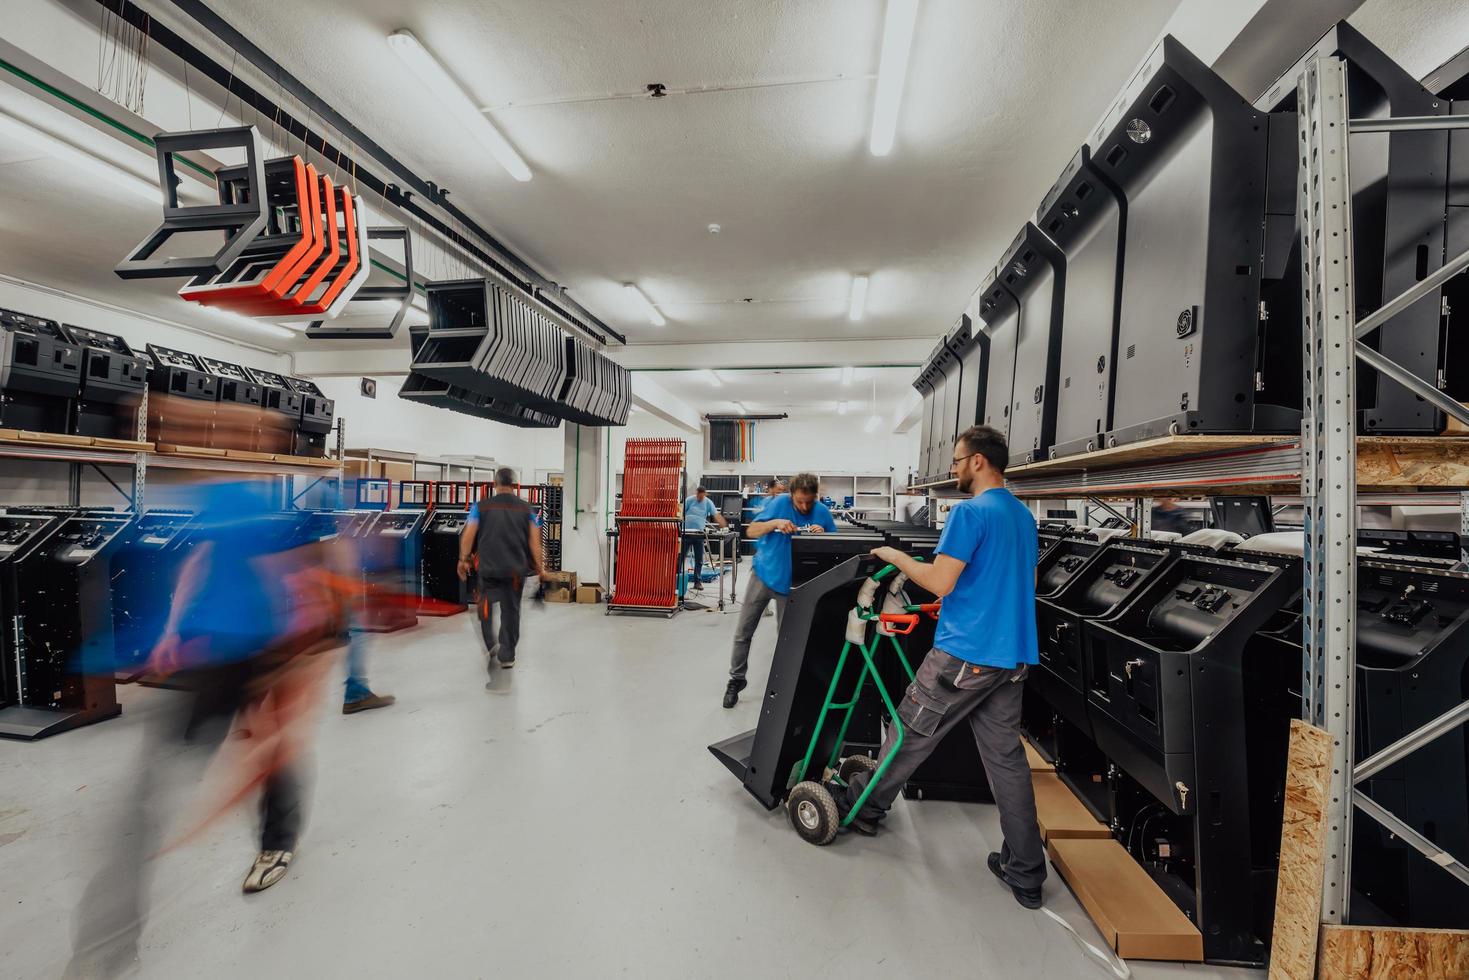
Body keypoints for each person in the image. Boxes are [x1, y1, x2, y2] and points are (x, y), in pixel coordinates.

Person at [836, 425, 1046, 910]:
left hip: (965, 655)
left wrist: (893, 555)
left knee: (909, 731)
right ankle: (1026, 872)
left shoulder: (970, 513)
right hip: (1010, 657)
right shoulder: (1021, 515)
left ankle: (862, 806)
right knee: (1006, 763)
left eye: (956, 460)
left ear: (977, 462)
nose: (952, 468)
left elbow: (941, 581)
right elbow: (1020, 582)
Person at [723, 472, 837, 708]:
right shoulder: (779, 503)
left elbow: (838, 548)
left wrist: (823, 534)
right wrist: (775, 523)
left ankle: (788, 685)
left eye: (809, 501)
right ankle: (736, 680)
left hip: (794, 585)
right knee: (743, 632)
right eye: (799, 502)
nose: (804, 506)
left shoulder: (822, 512)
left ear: (816, 496)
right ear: (792, 495)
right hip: (764, 575)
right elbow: (751, 531)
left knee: (788, 640)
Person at [459, 467, 545, 670]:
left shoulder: (480, 507)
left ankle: (491, 645)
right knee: (511, 610)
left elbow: (469, 534)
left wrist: (464, 559)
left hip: (488, 568)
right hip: (515, 570)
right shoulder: (526, 509)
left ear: (494, 484)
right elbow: (534, 542)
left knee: (485, 608)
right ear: (515, 485)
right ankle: (507, 654)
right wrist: (541, 568)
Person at [680, 486, 728, 593]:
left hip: (699, 534)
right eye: (698, 495)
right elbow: (681, 513)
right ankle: (676, 579)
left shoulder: (708, 503)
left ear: (705, 494)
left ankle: (697, 582)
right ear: (696, 493)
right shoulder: (689, 500)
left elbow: (716, 515)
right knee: (680, 558)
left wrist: (724, 525)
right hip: (686, 533)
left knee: (699, 560)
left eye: (701, 496)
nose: (699, 498)